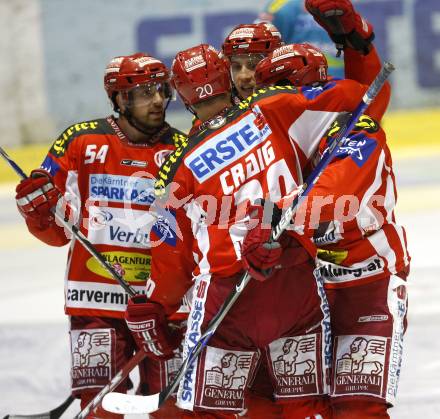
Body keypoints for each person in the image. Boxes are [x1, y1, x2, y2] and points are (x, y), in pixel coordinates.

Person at [124, 40, 389, 418]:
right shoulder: (273, 106)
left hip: (228, 298)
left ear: (181, 97)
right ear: (227, 78)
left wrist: (154, 304)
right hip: (296, 282)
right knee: (307, 404)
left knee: (210, 412)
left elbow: (171, 255)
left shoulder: (177, 165)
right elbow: (356, 97)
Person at [14, 52, 188, 418]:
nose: (158, 100)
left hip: (165, 305)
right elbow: (57, 231)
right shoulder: (80, 142)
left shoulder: (182, 148)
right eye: (144, 93)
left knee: (173, 405)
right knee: (100, 405)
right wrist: (37, 210)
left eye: (161, 90)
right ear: (119, 99)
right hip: (95, 301)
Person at [255, 42, 410, 418]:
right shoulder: (273, 142)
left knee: (358, 409)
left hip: (367, 284)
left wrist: (273, 220)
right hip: (303, 293)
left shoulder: (360, 131)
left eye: (283, 87)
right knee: (299, 406)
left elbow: (328, 202)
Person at [257, 0, 345, 78]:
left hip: (340, 80)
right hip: (298, 83)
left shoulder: (343, 5)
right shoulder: (278, 6)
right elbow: (260, 46)